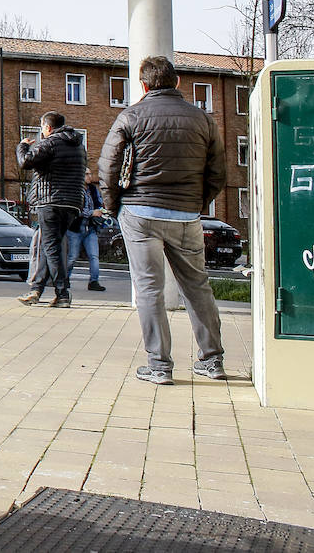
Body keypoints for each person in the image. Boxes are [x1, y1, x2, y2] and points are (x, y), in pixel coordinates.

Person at [99, 56, 227, 386]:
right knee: (197, 285)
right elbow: (218, 172)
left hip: (140, 213)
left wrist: (113, 207)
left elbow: (108, 165)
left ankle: (159, 365)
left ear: (143, 85)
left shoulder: (130, 116)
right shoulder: (204, 119)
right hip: (186, 215)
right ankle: (212, 360)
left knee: (148, 288)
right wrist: (196, 203)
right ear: (178, 81)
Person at [15, 112, 86, 308]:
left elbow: (25, 162)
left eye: (42, 127)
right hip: (72, 204)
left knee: (51, 248)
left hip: (51, 202)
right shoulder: (79, 146)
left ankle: (62, 294)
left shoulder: (51, 142)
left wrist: (22, 146)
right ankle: (36, 290)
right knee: (50, 247)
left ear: (48, 127)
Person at [66, 168, 108, 292]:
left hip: (90, 228)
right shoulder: (74, 190)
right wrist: (91, 213)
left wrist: (101, 210)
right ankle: (64, 279)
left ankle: (94, 281)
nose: (90, 176)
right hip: (75, 228)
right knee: (72, 257)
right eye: (86, 174)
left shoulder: (93, 189)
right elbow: (74, 209)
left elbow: (99, 204)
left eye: (90, 174)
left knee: (94, 256)